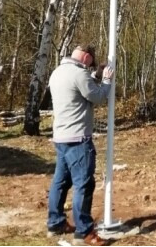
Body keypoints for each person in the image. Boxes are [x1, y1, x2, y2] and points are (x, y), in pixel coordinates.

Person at [46, 44, 114, 246]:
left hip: (61, 138)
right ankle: (85, 232)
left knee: (60, 182)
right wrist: (107, 80)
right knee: (84, 185)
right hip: (78, 141)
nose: (89, 67)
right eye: (90, 63)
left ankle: (55, 223)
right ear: (85, 58)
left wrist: (96, 75)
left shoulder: (57, 72)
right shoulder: (79, 74)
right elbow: (98, 97)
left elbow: (79, 89)